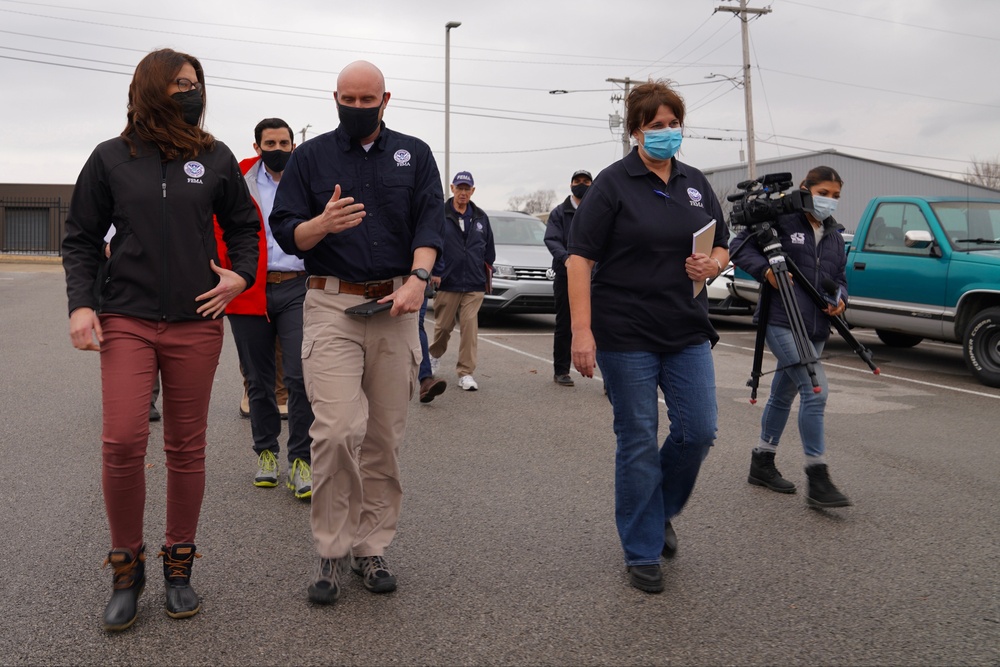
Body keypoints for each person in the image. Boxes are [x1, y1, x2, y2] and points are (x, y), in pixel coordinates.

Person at [62, 48, 259, 631]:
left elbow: (246, 225)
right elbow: (80, 237)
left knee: (185, 447)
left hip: (197, 320)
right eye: (178, 83)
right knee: (123, 439)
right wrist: (80, 304)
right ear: (151, 88)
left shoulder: (215, 156)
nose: (190, 92)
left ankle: (179, 565)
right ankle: (127, 569)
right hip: (127, 316)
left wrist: (240, 276)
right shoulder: (110, 159)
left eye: (195, 84)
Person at [269, 60, 444, 604]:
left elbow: (430, 220)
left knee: (384, 438)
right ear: (336, 97)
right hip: (330, 304)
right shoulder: (310, 156)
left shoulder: (413, 153)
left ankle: (370, 546)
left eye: (368, 100)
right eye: (349, 98)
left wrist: (418, 278)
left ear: (385, 99)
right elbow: (285, 228)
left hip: (395, 304)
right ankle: (331, 545)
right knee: (337, 429)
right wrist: (320, 224)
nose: (358, 107)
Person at [566, 80, 729, 594]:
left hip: (686, 328)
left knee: (698, 430)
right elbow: (578, 260)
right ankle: (641, 549)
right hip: (625, 332)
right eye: (655, 125)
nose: (666, 133)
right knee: (637, 438)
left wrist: (713, 262)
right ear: (635, 130)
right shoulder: (613, 185)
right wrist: (582, 333)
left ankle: (659, 510)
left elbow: (722, 246)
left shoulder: (696, 182)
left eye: (673, 123)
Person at [729, 166, 852, 509]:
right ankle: (818, 476)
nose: (829, 201)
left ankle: (762, 461)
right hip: (782, 320)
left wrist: (841, 298)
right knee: (815, 391)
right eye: (824, 193)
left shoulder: (834, 235)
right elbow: (739, 246)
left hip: (816, 326)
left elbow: (839, 276)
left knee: (783, 394)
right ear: (806, 189)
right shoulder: (783, 220)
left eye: (836, 196)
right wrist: (765, 270)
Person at [214, 117, 315, 499]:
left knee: (300, 377)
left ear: (294, 145)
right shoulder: (238, 180)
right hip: (248, 289)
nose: (278, 149)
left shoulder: (307, 179)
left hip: (297, 288)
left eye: (285, 142)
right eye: (270, 143)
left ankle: (301, 460)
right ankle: (266, 454)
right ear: (257, 147)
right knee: (257, 380)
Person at [428, 171, 495, 391]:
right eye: (460, 188)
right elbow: (432, 243)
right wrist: (434, 269)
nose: (463, 193)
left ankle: (466, 372)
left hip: (474, 283)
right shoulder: (441, 213)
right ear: (452, 188)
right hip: (448, 280)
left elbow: (489, 250)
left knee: (469, 327)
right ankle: (434, 355)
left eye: (467, 189)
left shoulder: (480, 217)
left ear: (473, 191)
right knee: (444, 327)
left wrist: (484, 270)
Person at [544, 168, 593, 387]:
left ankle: (608, 379)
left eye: (586, 181)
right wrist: (567, 260)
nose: (581, 184)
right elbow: (551, 239)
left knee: (601, 324)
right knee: (564, 323)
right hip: (566, 275)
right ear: (571, 184)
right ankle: (561, 370)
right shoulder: (559, 212)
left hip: (595, 277)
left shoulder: (599, 210)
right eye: (577, 180)